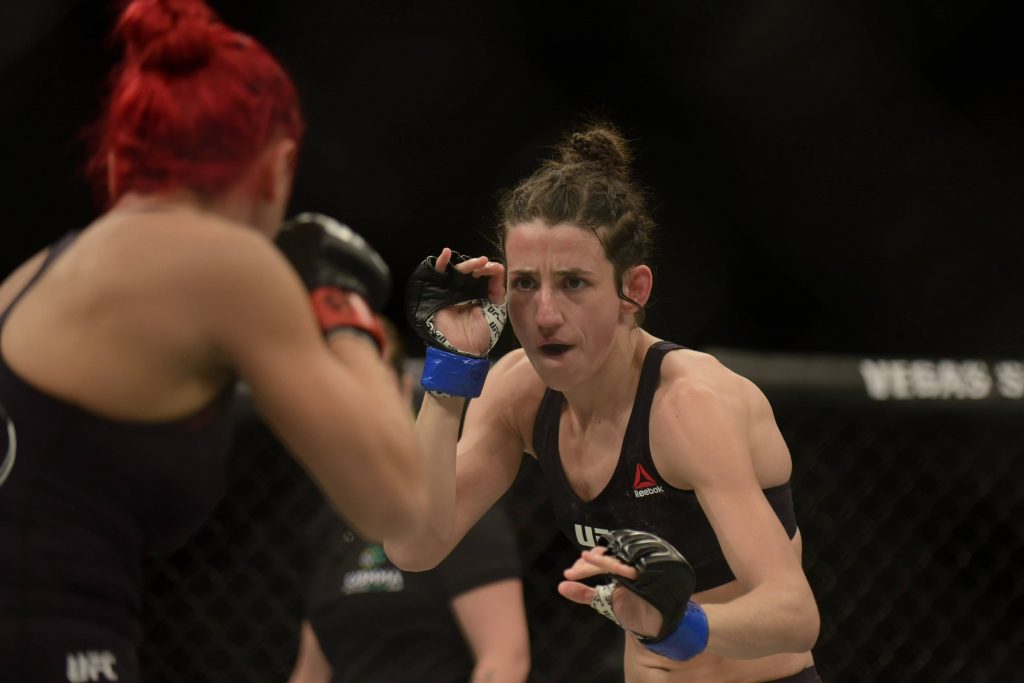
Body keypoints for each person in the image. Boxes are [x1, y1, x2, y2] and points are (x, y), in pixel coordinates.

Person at [0, 2, 427, 681]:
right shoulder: (224, 263)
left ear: (120, 162)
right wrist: (340, 305)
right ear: (275, 167)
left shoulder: (31, 277)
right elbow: (401, 504)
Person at [387, 122, 822, 682]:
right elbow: (414, 547)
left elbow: (795, 614)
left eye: (572, 283)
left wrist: (682, 626)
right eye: (524, 283)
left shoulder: (688, 406)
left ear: (632, 291)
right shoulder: (519, 391)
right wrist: (450, 372)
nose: (544, 314)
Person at [289, 321, 530, 683]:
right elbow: (310, 672)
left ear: (402, 391)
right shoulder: (331, 524)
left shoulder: (456, 504)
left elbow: (504, 661)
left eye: (365, 383)